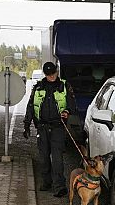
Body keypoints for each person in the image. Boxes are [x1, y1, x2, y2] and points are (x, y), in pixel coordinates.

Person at [23, 61, 77, 197]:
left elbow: (72, 104)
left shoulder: (64, 85)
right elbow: (31, 106)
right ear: (45, 74)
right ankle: (46, 182)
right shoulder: (38, 87)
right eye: (48, 74)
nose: (51, 77)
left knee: (57, 158)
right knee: (44, 157)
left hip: (58, 127)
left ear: (56, 72)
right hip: (42, 127)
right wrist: (26, 124)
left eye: (53, 73)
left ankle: (59, 186)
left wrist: (67, 111)